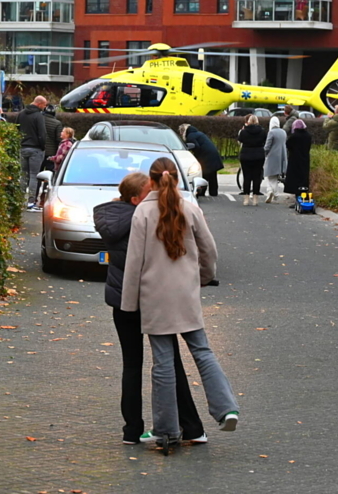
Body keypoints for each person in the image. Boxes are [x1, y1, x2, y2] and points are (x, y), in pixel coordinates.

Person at [121, 158, 240, 446]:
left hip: (154, 297)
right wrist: (204, 277)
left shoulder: (143, 213)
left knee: (162, 362)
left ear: (150, 181)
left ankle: (166, 429)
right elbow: (209, 249)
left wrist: (129, 304)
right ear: (176, 178)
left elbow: (134, 262)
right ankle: (226, 409)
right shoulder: (190, 208)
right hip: (186, 292)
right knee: (202, 350)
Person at [94, 172, 206, 446]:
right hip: (155, 300)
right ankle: (191, 427)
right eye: (149, 192)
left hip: (123, 300)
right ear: (135, 199)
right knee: (171, 363)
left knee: (131, 365)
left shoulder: (110, 218)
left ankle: (132, 431)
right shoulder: (145, 218)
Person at [16, 95, 48, 212]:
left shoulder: (21, 113)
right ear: (39, 103)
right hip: (35, 148)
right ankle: (31, 203)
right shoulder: (38, 116)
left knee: (23, 175)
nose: (44, 107)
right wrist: (43, 146)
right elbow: (42, 133)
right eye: (44, 105)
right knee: (34, 176)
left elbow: (17, 129)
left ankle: (19, 201)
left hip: (23, 147)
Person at [179, 124, 224, 198]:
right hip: (213, 154)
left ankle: (201, 193)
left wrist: (194, 156)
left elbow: (196, 146)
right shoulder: (198, 133)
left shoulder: (190, 136)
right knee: (212, 175)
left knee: (204, 174)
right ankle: (213, 193)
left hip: (206, 157)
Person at [237, 115, 267, 206]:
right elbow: (264, 141)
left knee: (247, 177)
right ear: (257, 122)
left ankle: (246, 198)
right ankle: (255, 198)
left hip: (246, 155)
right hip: (259, 155)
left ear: (248, 121)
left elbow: (240, 141)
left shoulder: (243, 132)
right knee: (257, 177)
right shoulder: (262, 131)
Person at [283, 119, 312, 207]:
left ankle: (297, 200)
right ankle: (303, 199)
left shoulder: (294, 136)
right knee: (303, 179)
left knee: (295, 180)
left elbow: (288, 145)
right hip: (305, 159)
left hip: (294, 160)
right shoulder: (308, 136)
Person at [263, 117, 287, 204]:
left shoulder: (271, 132)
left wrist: (264, 153)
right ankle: (270, 191)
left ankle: (275, 193)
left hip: (272, 156)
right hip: (282, 157)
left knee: (269, 175)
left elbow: (267, 146)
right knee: (274, 176)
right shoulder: (283, 132)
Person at [42, 104, 63, 171]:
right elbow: (59, 139)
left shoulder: (39, 120)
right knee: (50, 172)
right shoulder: (57, 123)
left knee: (38, 172)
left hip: (39, 150)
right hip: (51, 152)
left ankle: (38, 182)